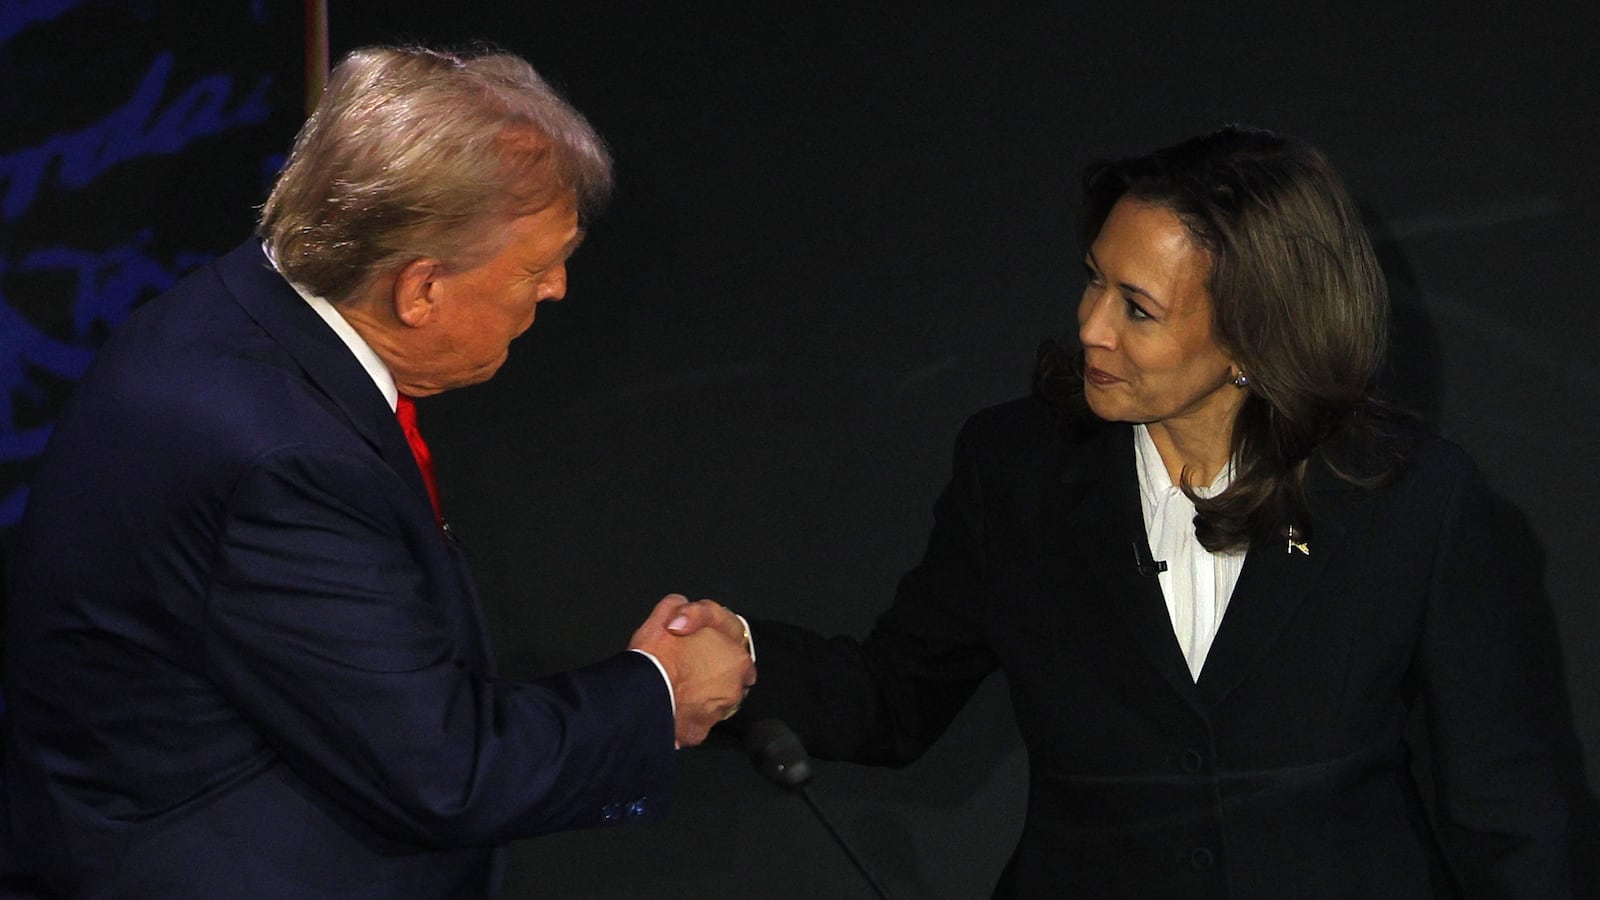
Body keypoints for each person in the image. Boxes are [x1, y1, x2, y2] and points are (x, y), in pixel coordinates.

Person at [701, 125, 1574, 897]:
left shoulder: (1406, 493)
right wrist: (726, 659)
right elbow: (892, 698)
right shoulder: (1016, 472)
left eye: (1138, 308)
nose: (1091, 328)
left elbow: (1504, 800)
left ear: (1255, 336)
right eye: (1093, 283)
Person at [0, 45, 753, 899]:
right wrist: (657, 696)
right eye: (535, 269)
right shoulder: (284, 458)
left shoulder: (229, 313)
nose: (557, 291)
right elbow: (446, 771)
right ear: (420, 288)